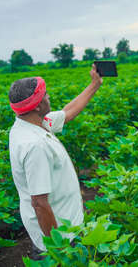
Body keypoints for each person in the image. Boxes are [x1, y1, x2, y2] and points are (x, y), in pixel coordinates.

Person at [8, 65, 102, 260]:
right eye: (45, 95)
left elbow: (67, 113)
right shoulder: (34, 146)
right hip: (59, 237)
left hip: (66, 227)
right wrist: (59, 250)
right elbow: (39, 203)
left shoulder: (33, 123)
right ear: (37, 105)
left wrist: (95, 84)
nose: (49, 97)